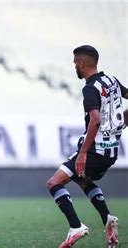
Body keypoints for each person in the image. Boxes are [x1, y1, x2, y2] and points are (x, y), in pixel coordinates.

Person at [46, 45, 123, 248]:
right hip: (112, 151)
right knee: (82, 179)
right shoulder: (112, 81)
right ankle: (108, 218)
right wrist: (120, 124)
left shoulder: (90, 88)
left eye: (75, 64)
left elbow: (95, 120)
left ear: (81, 63)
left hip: (94, 151)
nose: (75, 68)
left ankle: (76, 226)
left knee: (54, 183)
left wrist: (82, 154)